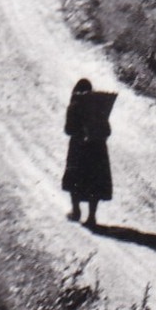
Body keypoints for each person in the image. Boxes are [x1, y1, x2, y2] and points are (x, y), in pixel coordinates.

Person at [61, 78, 113, 227]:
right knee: (94, 183)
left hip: (78, 149)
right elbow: (107, 131)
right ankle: (91, 217)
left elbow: (68, 129)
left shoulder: (74, 106)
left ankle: (76, 211)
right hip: (97, 150)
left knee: (74, 180)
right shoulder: (99, 108)